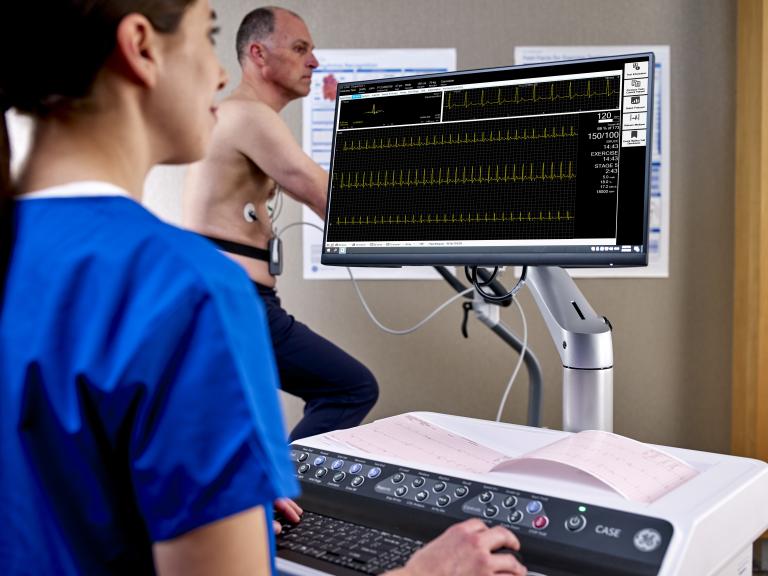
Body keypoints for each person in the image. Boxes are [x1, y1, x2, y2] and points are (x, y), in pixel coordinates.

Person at [0, 1, 529, 575]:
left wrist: (224, 506)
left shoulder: (32, 252)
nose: (219, 73)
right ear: (142, 47)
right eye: (209, 36)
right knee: (351, 387)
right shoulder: (189, 292)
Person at [183, 6, 378, 442]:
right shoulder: (248, 115)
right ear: (259, 54)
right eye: (300, 48)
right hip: (235, 300)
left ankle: (279, 500)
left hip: (229, 298)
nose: (314, 61)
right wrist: (436, 229)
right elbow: (324, 195)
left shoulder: (240, 117)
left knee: (237, 428)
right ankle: (291, 502)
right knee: (349, 388)